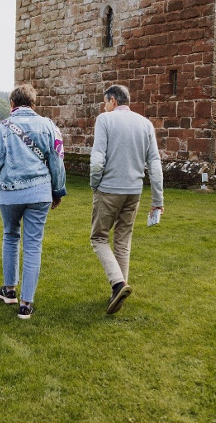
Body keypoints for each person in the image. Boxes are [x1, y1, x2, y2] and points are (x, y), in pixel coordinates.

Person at [0, 84, 67, 319]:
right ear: (33, 104)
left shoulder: (2, 127)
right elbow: (57, 161)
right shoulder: (49, 126)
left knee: (10, 236)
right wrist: (57, 191)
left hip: (10, 193)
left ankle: (9, 290)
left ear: (12, 103)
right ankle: (26, 303)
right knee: (33, 245)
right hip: (40, 192)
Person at [90, 84, 164, 314]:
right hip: (134, 191)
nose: (104, 106)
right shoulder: (145, 124)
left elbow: (97, 160)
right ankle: (118, 294)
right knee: (123, 240)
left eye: (105, 102)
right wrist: (158, 200)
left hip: (109, 189)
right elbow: (155, 163)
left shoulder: (105, 120)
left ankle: (118, 284)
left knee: (99, 238)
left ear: (113, 100)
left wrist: (94, 184)